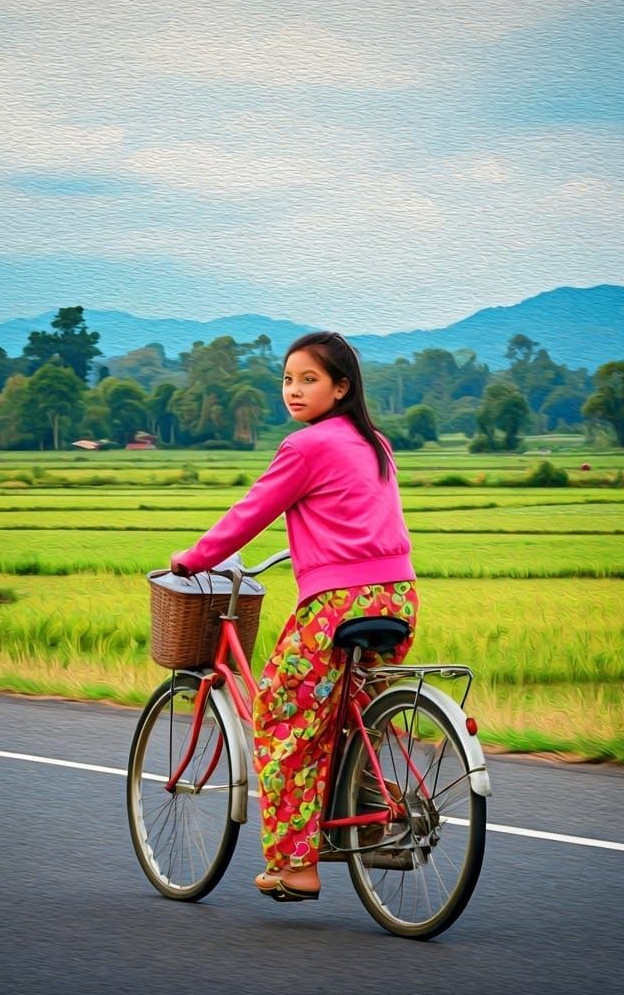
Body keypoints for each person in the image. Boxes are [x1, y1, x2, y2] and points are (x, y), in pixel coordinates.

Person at [171, 330, 418, 903]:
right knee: (351, 714)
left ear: (341, 387)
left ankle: (296, 867)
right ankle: (375, 817)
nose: (294, 390)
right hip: (398, 597)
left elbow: (250, 513)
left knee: (281, 722)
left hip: (338, 604)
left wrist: (194, 558)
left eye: (309, 379)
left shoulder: (304, 448)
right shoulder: (376, 443)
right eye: (287, 379)